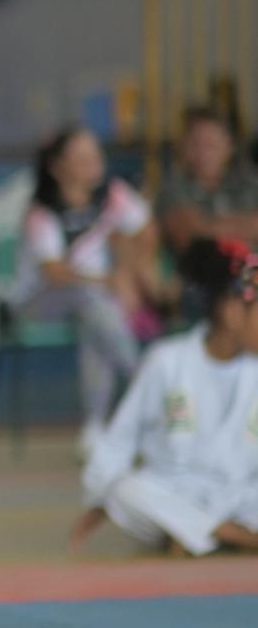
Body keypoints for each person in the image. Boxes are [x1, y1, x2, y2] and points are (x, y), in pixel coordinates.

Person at [72, 237, 258, 556]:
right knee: (125, 493)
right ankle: (234, 537)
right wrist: (96, 504)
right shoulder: (167, 361)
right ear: (230, 311)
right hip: (175, 490)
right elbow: (121, 438)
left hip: (239, 496)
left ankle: (195, 534)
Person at [16, 125, 166, 456]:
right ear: (57, 167)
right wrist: (109, 282)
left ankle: (95, 427)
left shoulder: (112, 195)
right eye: (81, 157)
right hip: (39, 301)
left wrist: (128, 273)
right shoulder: (41, 211)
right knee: (91, 300)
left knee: (95, 326)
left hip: (97, 303)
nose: (92, 163)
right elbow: (54, 273)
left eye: (95, 155)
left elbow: (146, 231)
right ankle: (147, 383)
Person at [156, 107, 258, 257]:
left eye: (211, 145)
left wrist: (207, 226)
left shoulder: (250, 184)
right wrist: (244, 227)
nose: (204, 154)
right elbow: (189, 236)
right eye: (196, 144)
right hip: (197, 276)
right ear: (183, 146)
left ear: (229, 146)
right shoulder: (171, 190)